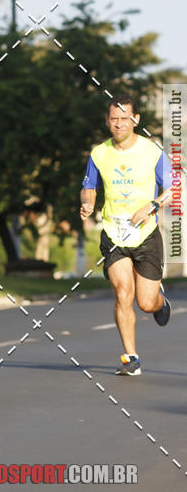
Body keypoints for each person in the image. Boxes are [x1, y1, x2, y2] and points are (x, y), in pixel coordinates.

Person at [80, 96, 173, 376]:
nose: (119, 124)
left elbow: (175, 188)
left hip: (145, 235)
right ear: (107, 121)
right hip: (114, 234)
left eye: (124, 118)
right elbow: (89, 187)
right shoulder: (99, 153)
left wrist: (152, 206)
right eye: (114, 119)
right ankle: (131, 359)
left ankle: (159, 301)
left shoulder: (152, 152)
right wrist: (87, 203)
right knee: (122, 293)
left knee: (145, 302)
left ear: (135, 119)